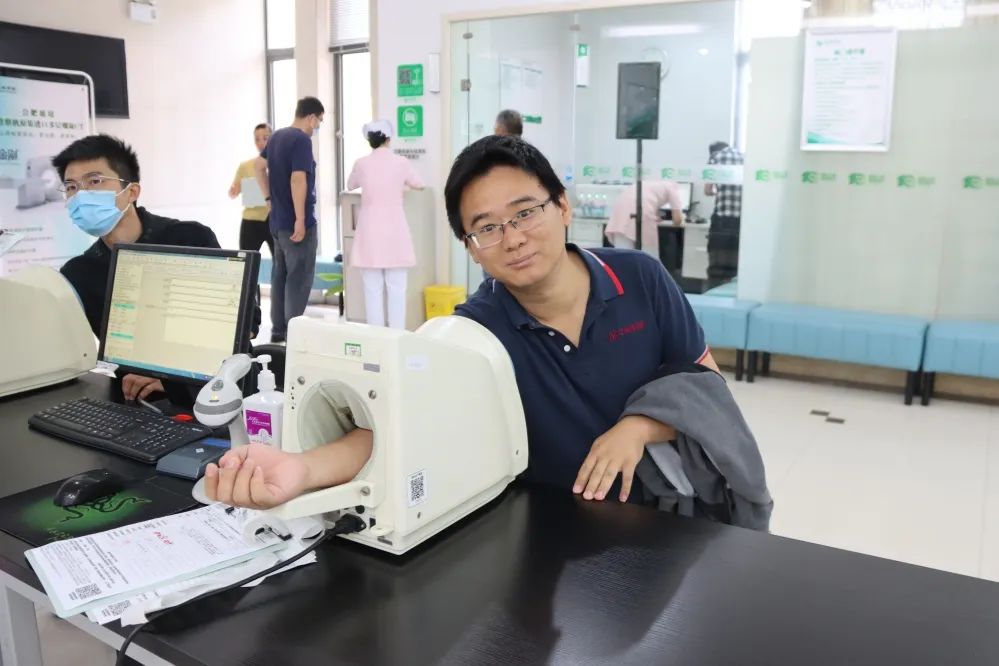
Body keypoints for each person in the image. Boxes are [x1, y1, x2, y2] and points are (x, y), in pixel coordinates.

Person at [208, 135, 720, 511]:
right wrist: (301, 469)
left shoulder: (640, 278)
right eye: (486, 228)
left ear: (562, 206)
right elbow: (397, 424)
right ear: (471, 249)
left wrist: (638, 427)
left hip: (663, 514)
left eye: (526, 212)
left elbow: (707, 386)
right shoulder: (476, 330)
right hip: (552, 528)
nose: (512, 238)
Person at [55, 134, 222, 403]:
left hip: (207, 395)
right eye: (71, 187)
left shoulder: (190, 238)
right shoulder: (78, 273)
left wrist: (174, 381)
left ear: (131, 192)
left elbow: (244, 327)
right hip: (130, 401)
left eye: (94, 181)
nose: (80, 195)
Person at [255, 97, 324, 343]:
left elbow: (258, 166)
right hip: (295, 224)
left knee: (280, 275)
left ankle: (278, 330)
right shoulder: (301, 140)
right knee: (298, 277)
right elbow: (298, 179)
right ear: (311, 117)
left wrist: (268, 198)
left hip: (277, 222)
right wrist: (300, 219)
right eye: (319, 121)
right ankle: (294, 332)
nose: (318, 126)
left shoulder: (277, 137)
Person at [345, 119, 425, 329]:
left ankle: (377, 336)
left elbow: (350, 185)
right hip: (395, 232)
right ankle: (396, 335)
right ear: (389, 138)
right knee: (397, 289)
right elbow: (419, 184)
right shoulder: (401, 162)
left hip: (370, 233)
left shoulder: (361, 163)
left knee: (372, 291)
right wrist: (402, 188)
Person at [605, 179, 686, 254]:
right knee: (648, 254)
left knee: (623, 254)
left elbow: (648, 200)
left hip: (620, 210)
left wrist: (656, 216)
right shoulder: (672, 188)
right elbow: (677, 220)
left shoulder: (651, 183)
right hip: (642, 209)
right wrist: (682, 218)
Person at [228, 123, 273, 254]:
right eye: (257, 139)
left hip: (274, 218)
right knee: (245, 259)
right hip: (251, 221)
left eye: (265, 138)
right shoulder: (245, 166)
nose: (261, 143)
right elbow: (233, 192)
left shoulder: (280, 163)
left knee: (281, 261)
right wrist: (234, 191)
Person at [704, 140, 744, 287]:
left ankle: (715, 290)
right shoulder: (744, 157)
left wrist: (719, 191)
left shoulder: (715, 157)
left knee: (717, 264)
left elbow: (708, 190)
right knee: (736, 262)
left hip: (722, 219)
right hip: (741, 219)